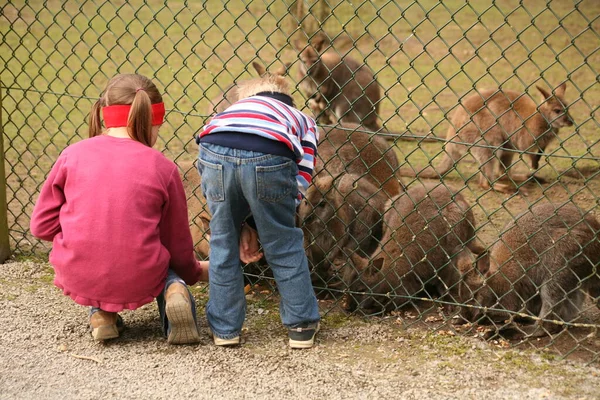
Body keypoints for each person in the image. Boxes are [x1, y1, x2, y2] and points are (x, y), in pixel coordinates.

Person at [30, 74, 208, 345]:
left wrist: (80, 229)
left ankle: (102, 315)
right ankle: (174, 291)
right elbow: (177, 243)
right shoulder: (163, 167)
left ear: (104, 113)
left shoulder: (71, 155)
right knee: (162, 261)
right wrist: (193, 272)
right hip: (140, 273)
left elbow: (40, 227)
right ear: (153, 122)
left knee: (102, 250)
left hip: (79, 272)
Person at [196, 73, 321, 349]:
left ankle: (225, 329)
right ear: (286, 97)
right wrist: (277, 211)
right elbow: (303, 175)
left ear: (246, 97)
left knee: (222, 240)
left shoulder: (227, 112)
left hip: (213, 148)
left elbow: (203, 166)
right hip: (270, 152)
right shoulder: (300, 118)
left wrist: (236, 220)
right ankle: (301, 325)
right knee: (283, 241)